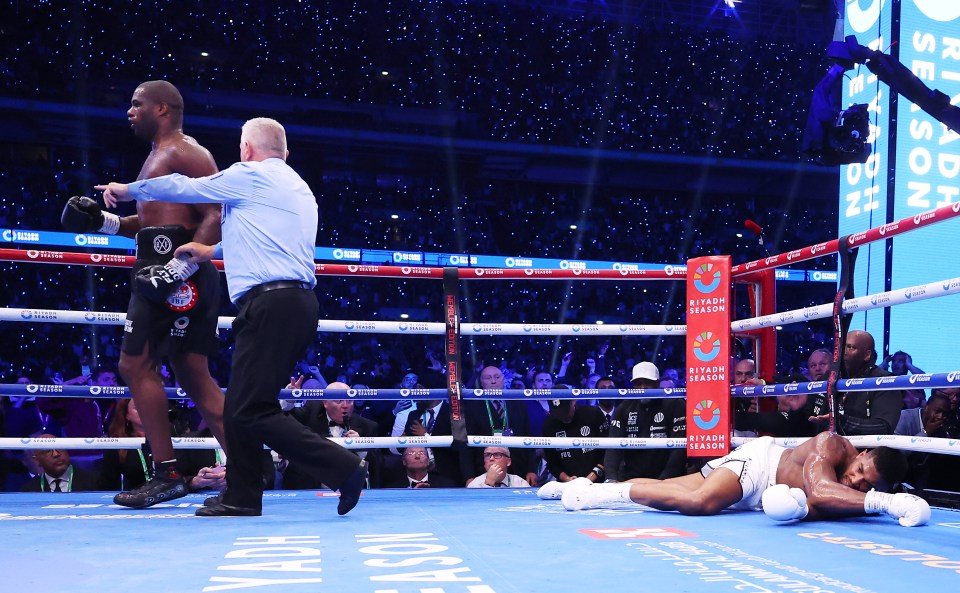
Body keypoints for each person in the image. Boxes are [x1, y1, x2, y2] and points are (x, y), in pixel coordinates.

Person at [98, 117, 367, 517]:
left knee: (251, 409)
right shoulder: (297, 186)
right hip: (291, 303)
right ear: (285, 151)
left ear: (246, 149)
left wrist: (127, 189)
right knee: (241, 404)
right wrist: (209, 252)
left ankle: (344, 468)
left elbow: (182, 185)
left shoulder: (251, 174)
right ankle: (241, 496)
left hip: (272, 305)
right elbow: (266, 240)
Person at [62, 80, 227, 508]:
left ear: (163, 109)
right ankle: (248, 468)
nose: (129, 111)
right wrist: (106, 223)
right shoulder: (157, 156)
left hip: (177, 278)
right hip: (165, 272)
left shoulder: (186, 151)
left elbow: (216, 212)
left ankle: (167, 473)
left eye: (137, 104)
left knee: (134, 364)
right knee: (194, 378)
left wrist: (182, 267)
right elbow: (153, 224)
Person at [549, 431, 931, 528]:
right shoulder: (832, 445)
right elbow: (818, 490)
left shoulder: (855, 495)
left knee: (677, 489)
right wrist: (886, 504)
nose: (855, 481)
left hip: (762, 491)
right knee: (699, 504)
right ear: (862, 455)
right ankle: (593, 498)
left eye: (867, 486)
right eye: (860, 471)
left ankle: (575, 488)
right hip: (758, 464)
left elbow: (816, 504)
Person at [601, 362, 686, 482]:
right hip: (632, 478)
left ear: (657, 383)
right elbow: (613, 446)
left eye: (647, 383)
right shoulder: (624, 407)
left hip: (667, 479)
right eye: (638, 383)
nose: (643, 387)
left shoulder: (675, 404)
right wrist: (611, 479)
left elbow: (679, 448)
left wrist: (665, 480)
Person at [20, 435, 100, 493]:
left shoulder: (95, 482)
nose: (56, 454)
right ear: (37, 460)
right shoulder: (29, 490)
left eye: (60, 447)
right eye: (48, 450)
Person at [385, 447, 457, 488]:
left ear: (428, 460)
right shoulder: (393, 488)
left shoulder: (446, 485)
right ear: (404, 461)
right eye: (411, 453)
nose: (417, 456)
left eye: (421, 453)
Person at [467, 447, 531, 488]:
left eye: (497, 455)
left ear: (508, 461)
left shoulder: (520, 483)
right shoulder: (475, 484)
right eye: (487, 455)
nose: (491, 458)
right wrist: (489, 483)